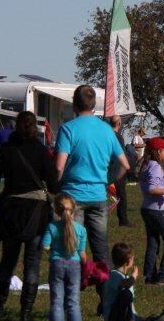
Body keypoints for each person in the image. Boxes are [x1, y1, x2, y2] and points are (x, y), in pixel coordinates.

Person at [0, 111, 58, 321]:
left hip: (11, 210)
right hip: (36, 213)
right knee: (32, 264)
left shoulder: (5, 150)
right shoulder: (41, 151)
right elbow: (53, 184)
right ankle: (25, 313)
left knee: (7, 262)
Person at [55, 85, 130, 264]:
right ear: (94, 105)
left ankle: (73, 286)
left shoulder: (68, 129)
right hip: (98, 194)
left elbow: (59, 167)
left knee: (71, 247)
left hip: (73, 195)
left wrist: (56, 186)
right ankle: (106, 288)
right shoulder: (106, 130)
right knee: (101, 250)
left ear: (74, 105)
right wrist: (107, 180)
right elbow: (125, 165)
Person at [42, 193, 88, 321]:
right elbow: (82, 253)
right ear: (74, 210)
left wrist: (52, 248)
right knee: (73, 302)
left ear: (56, 210)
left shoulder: (52, 227)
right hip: (74, 265)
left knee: (56, 302)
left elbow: (45, 246)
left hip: (56, 264)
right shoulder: (81, 229)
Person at [138, 136, 164, 285]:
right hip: (157, 211)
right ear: (159, 151)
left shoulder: (147, 164)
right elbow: (152, 189)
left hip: (147, 208)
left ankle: (149, 276)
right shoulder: (155, 166)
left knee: (153, 242)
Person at [100, 242, 142, 321]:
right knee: (126, 294)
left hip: (130, 316)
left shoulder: (121, 276)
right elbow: (126, 285)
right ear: (129, 260)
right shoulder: (114, 275)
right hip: (115, 317)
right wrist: (134, 276)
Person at [109, 115, 131, 227]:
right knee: (121, 194)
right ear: (119, 124)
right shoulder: (118, 137)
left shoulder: (106, 135)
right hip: (117, 169)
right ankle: (123, 220)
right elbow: (120, 154)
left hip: (106, 167)